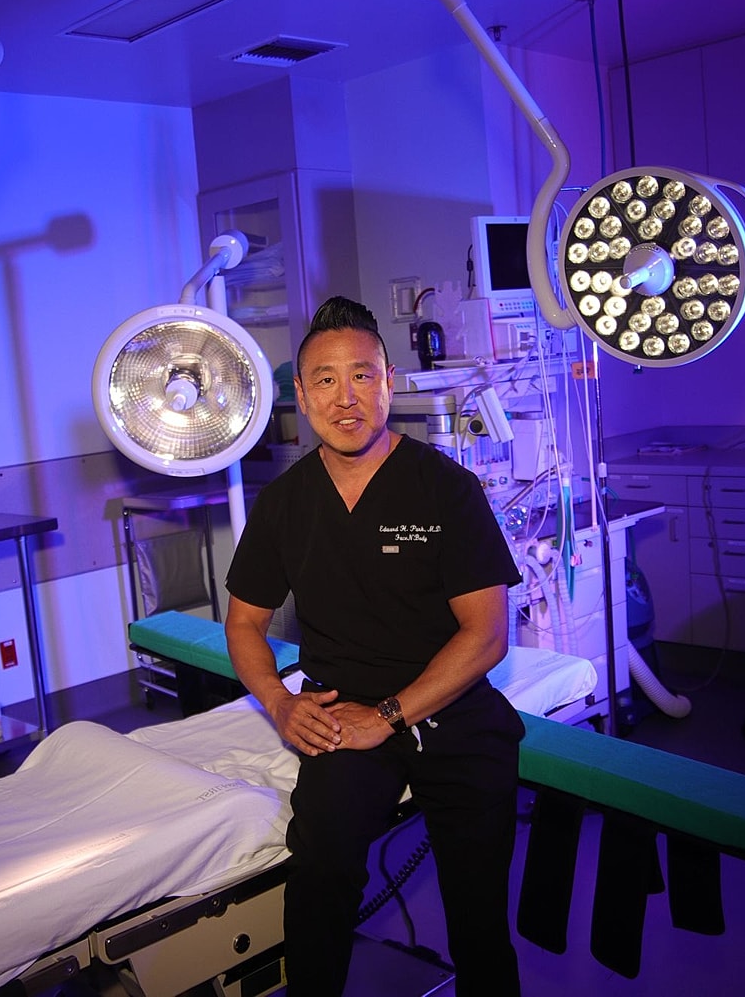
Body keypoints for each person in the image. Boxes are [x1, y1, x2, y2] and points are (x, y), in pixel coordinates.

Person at [224, 295, 525, 996]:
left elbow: (487, 633)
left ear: (388, 381)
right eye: (325, 379)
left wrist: (387, 714)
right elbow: (244, 622)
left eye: (362, 375)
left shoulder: (446, 489)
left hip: (450, 711)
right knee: (321, 877)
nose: (346, 396)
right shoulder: (285, 503)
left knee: (479, 918)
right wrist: (277, 702)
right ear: (300, 394)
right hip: (340, 714)